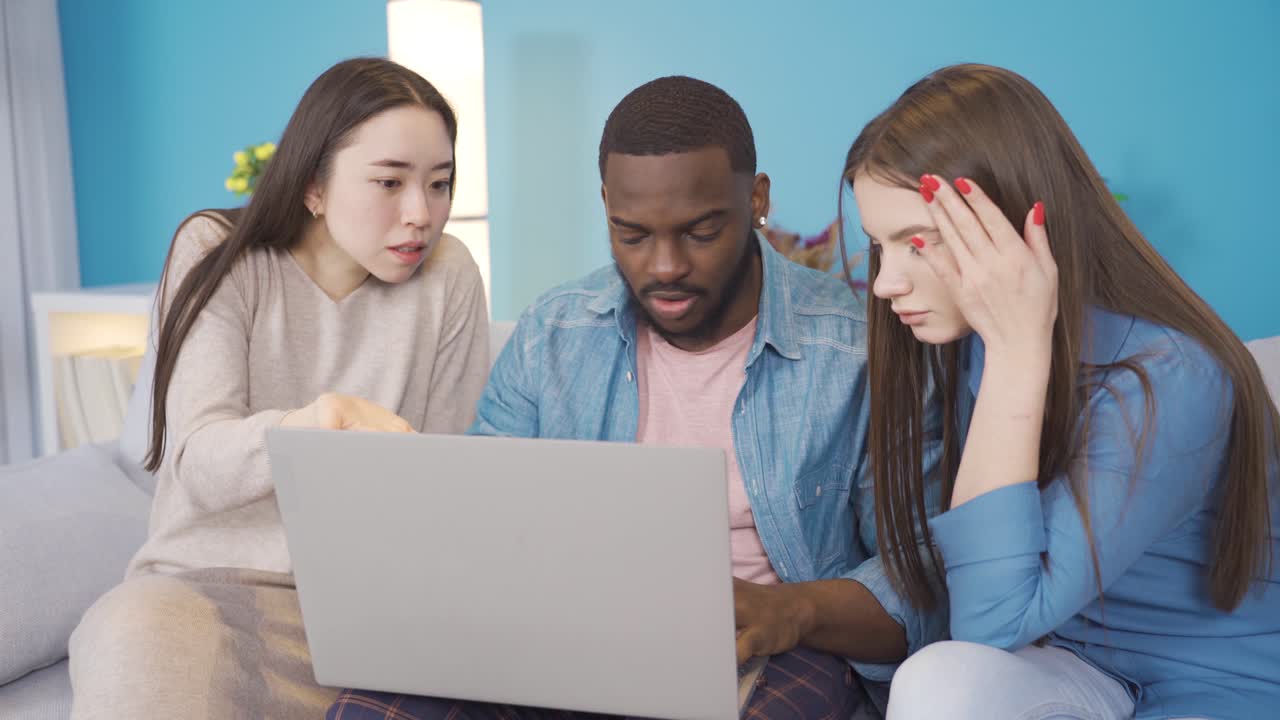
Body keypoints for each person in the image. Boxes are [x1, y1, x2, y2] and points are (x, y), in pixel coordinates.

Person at [327, 75, 946, 720]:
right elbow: (479, 528)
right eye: (633, 234)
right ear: (605, 205)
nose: (665, 266)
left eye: (701, 232)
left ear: (756, 198)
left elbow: (921, 582)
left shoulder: (859, 353)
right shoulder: (554, 334)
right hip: (558, 645)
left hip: (771, 653)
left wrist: (792, 611)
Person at [844, 63, 1280, 720]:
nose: (885, 284)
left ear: (1018, 224)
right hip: (1082, 667)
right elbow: (986, 635)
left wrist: (1019, 354)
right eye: (881, 247)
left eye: (917, 243)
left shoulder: (1171, 379)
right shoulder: (976, 346)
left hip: (1216, 687)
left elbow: (991, 622)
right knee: (940, 682)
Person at [68, 57, 490, 719]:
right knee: (135, 645)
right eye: (389, 181)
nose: (422, 214)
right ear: (314, 186)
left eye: (440, 183)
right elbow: (198, 466)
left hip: (369, 615)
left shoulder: (450, 276)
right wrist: (314, 425)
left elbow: (444, 481)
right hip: (198, 592)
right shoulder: (218, 251)